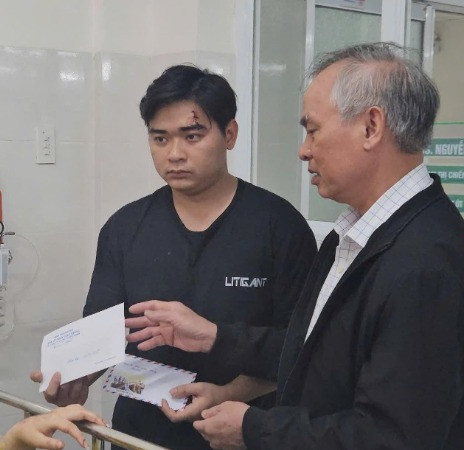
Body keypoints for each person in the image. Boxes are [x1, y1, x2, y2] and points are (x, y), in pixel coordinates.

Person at [126, 42, 464, 449]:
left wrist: (254, 429)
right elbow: (308, 352)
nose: (303, 150)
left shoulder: (424, 262)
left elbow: (393, 438)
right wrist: (215, 338)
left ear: (371, 127)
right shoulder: (354, 237)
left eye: (313, 130)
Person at [31, 64, 316, 449]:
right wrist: (77, 377)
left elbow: (301, 350)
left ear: (229, 134)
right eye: (160, 139)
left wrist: (227, 394)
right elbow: (102, 333)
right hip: (138, 436)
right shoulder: (125, 228)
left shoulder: (279, 227)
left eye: (192, 136)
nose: (175, 154)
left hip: (240, 435)